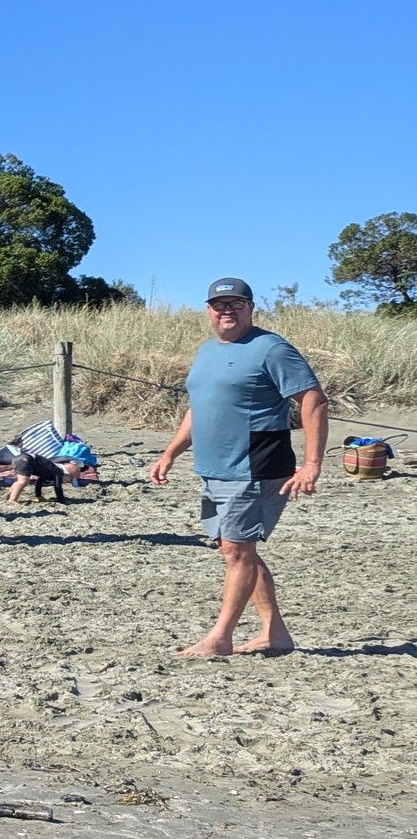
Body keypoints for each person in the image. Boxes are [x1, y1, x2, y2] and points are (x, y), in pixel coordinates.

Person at [148, 278, 327, 658]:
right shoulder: (206, 351)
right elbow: (200, 407)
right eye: (219, 305)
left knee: (236, 551)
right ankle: (274, 634)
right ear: (208, 310)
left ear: (250, 308)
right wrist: (170, 453)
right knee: (234, 550)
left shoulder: (271, 348)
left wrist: (312, 463)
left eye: (236, 304)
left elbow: (312, 399)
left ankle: (220, 637)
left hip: (255, 464)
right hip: (214, 467)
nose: (226, 311)